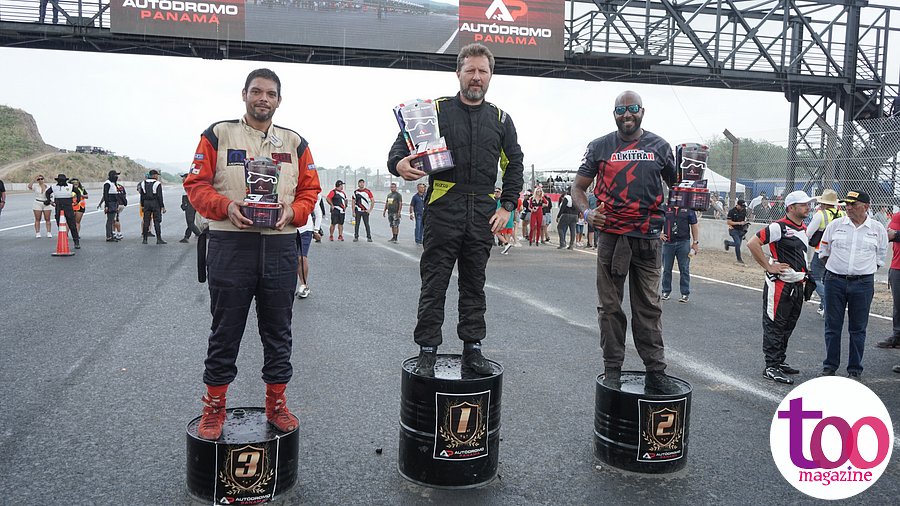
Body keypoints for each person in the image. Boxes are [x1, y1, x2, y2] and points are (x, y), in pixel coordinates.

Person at [183, 68, 321, 440]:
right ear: (244, 94)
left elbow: (310, 191)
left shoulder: (295, 142)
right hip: (231, 245)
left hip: (279, 246)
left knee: (279, 332)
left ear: (279, 100)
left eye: (271, 94)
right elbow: (195, 184)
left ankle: (276, 404)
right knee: (224, 331)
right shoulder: (218, 134)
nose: (263, 99)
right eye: (257, 91)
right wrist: (226, 206)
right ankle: (214, 408)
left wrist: (293, 212)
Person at [387, 43, 524, 377]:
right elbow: (398, 150)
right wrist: (399, 164)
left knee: (474, 285)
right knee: (434, 283)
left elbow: (514, 164)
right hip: (443, 209)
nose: (476, 77)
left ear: (490, 76)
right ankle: (427, 350)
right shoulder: (433, 111)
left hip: (482, 213)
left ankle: (473, 348)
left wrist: (507, 206)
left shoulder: (501, 119)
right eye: (470, 70)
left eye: (483, 71)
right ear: (458, 73)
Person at [572, 90, 678, 394]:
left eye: (632, 108)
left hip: (648, 239)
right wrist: (588, 213)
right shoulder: (599, 146)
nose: (627, 114)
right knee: (609, 308)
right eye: (621, 110)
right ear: (614, 114)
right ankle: (613, 369)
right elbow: (578, 188)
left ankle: (655, 372)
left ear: (642, 111)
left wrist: (691, 191)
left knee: (649, 308)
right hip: (612, 238)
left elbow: (677, 185)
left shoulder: (661, 146)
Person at [746, 191, 815, 385]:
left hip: (796, 284)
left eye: (808, 204)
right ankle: (771, 366)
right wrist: (768, 267)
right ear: (791, 207)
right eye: (803, 204)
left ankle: (779, 360)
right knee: (775, 324)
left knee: (788, 324)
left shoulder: (803, 227)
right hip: (780, 285)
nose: (808, 207)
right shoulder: (779, 226)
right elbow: (753, 243)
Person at [818, 190, 888, 379]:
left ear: (866, 207)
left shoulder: (877, 229)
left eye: (853, 205)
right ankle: (830, 366)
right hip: (835, 281)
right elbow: (823, 251)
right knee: (832, 326)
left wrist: (861, 271)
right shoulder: (835, 225)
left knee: (858, 328)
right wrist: (837, 269)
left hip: (863, 283)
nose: (848, 208)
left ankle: (855, 369)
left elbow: (880, 257)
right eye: (847, 204)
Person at [806, 189, 844, 317]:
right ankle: (824, 306)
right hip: (837, 253)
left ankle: (828, 300)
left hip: (821, 251)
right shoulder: (843, 214)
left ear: (823, 203)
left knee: (814, 278)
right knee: (827, 278)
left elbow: (808, 233)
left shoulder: (820, 215)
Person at [660, 203, 699, 303]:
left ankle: (685, 293)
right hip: (668, 243)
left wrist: (695, 242)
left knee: (684, 268)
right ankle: (666, 291)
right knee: (666, 268)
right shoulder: (665, 207)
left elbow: (694, 225)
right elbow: (657, 220)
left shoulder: (688, 208)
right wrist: (659, 233)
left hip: (683, 242)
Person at [876, 211, 900, 350]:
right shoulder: (898, 216)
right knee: (898, 305)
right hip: (898, 266)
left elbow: (892, 234)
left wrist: (896, 234)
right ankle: (897, 336)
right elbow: (889, 235)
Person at [296, 192, 325, 299]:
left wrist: (316, 230)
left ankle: (304, 285)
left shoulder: (309, 193)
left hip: (306, 230)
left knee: (301, 258)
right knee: (290, 259)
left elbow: (318, 213)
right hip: (290, 229)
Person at [45, 173, 80, 249]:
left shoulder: (70, 186)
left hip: (68, 207)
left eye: (62, 180)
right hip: (58, 206)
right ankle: (63, 239)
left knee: (72, 225)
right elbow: (47, 192)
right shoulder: (54, 187)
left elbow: (78, 192)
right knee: (60, 224)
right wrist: (49, 201)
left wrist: (77, 201)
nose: (61, 182)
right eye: (60, 180)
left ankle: (76, 241)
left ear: (65, 180)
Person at [139, 169, 166, 244]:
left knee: (146, 221)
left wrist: (142, 205)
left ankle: (145, 239)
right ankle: (159, 239)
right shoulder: (157, 183)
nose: (157, 176)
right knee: (157, 221)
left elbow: (142, 196)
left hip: (146, 203)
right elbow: (160, 196)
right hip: (155, 203)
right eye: (157, 175)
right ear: (154, 175)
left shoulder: (143, 183)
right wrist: (162, 206)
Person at [100, 170, 123, 242]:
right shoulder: (107, 183)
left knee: (113, 219)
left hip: (114, 203)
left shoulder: (113, 183)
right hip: (110, 203)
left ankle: (111, 235)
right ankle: (109, 236)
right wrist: (106, 205)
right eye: (115, 175)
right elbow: (105, 195)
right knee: (110, 220)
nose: (116, 177)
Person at [724, 199, 749, 263]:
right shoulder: (731, 211)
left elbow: (744, 220)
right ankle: (739, 259)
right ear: (737, 205)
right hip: (733, 230)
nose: (743, 208)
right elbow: (729, 222)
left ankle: (728, 243)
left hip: (741, 230)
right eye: (741, 206)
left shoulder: (744, 211)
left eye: (743, 207)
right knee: (737, 244)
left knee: (738, 245)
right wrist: (739, 223)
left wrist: (745, 228)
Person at [179, 173, 202, 243]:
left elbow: (187, 196)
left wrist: (185, 204)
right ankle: (186, 236)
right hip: (192, 204)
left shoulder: (188, 185)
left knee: (190, 222)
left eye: (183, 177)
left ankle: (200, 235)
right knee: (191, 222)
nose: (182, 179)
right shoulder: (190, 184)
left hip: (190, 205)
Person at [493, 187, 514, 254]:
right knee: (507, 234)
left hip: (505, 220)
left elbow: (497, 210)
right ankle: (507, 247)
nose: (496, 193)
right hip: (510, 220)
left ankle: (506, 244)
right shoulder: (511, 202)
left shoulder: (500, 201)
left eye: (498, 192)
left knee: (498, 232)